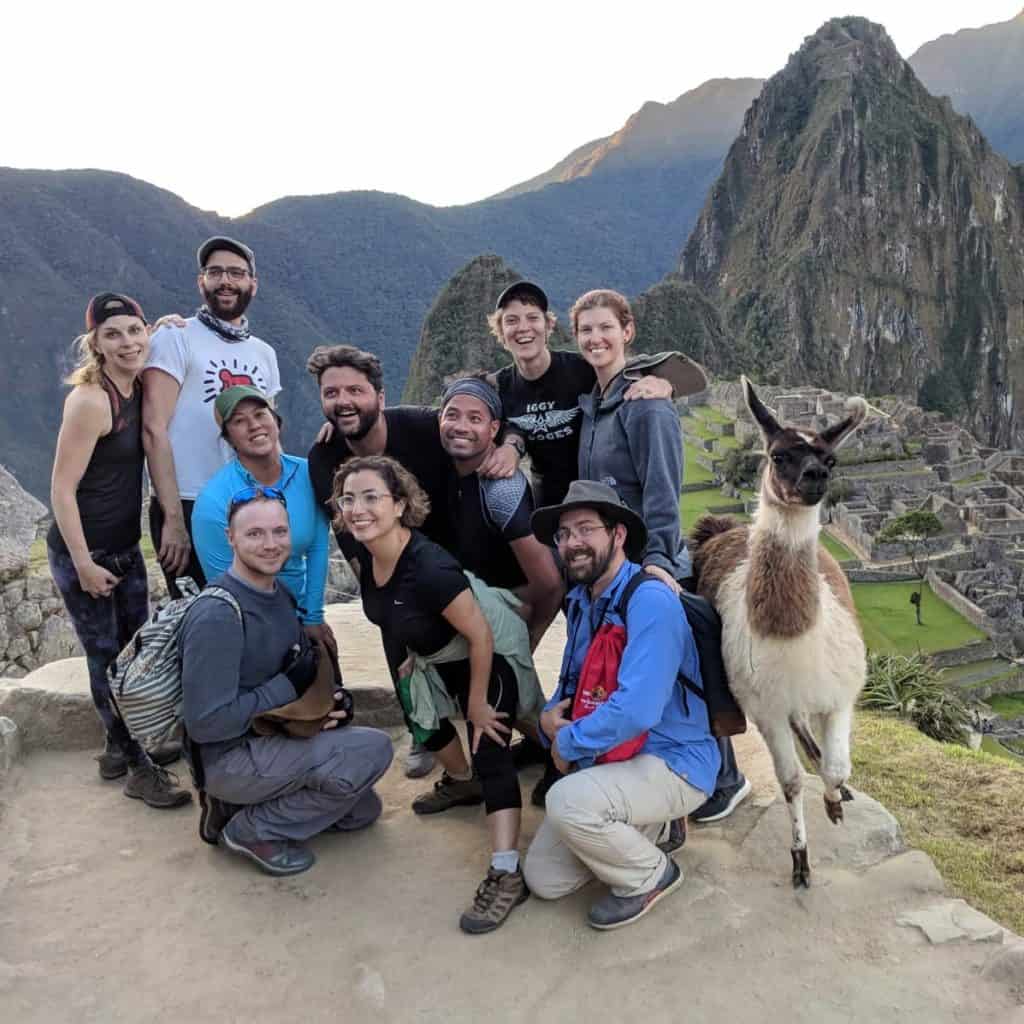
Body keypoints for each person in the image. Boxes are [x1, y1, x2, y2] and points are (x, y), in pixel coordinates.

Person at [333, 455, 536, 934]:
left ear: (400, 504)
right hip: (437, 657)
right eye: (348, 499)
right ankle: (464, 783)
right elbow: (391, 612)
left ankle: (507, 872)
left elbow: (481, 636)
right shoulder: (369, 556)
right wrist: (410, 655)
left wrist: (479, 702)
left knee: (491, 744)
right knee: (421, 716)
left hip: (487, 655)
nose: (357, 509)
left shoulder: (430, 567)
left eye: (371, 497)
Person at [572, 288, 750, 825]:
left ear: (628, 331)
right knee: (646, 672)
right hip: (614, 562)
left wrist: (658, 563)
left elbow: (662, 490)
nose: (596, 339)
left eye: (606, 327)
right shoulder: (597, 404)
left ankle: (725, 777)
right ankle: (670, 765)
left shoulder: (645, 404)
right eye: (585, 331)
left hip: (646, 560)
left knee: (681, 672)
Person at [524, 481, 721, 929]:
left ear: (618, 536)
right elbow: (571, 684)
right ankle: (659, 828)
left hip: (672, 759)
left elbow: (638, 709)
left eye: (586, 529)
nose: (573, 543)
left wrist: (568, 742)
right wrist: (548, 720)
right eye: (564, 533)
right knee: (545, 878)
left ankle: (652, 875)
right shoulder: (582, 601)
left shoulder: (648, 601)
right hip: (617, 758)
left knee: (567, 802)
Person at [180, 490, 393, 876]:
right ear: (231, 537)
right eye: (255, 534)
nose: (271, 544)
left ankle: (237, 809)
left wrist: (328, 703)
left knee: (364, 809)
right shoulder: (217, 616)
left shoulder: (278, 594)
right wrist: (285, 687)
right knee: (372, 751)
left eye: (280, 532)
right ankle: (251, 829)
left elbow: (289, 682)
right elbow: (204, 724)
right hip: (228, 759)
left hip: (269, 737)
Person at [48, 292, 191, 808]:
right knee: (106, 657)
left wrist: (169, 324)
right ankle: (137, 767)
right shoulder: (91, 400)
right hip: (83, 550)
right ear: (95, 344)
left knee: (137, 648)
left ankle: (118, 746)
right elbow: (62, 489)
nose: (128, 342)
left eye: (135, 330)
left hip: (125, 547)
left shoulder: (136, 382)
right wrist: (83, 563)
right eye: (114, 334)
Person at [143, 236, 281, 597]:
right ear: (200, 281)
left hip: (249, 500)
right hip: (188, 500)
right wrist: (172, 519)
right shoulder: (176, 337)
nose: (226, 281)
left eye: (236, 273)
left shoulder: (264, 353)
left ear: (253, 282)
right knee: (201, 618)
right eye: (215, 272)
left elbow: (269, 436)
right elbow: (153, 427)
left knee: (256, 611)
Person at [487, 280, 686, 506]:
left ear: (548, 326)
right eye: (512, 321)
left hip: (597, 511)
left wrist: (664, 382)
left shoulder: (582, 369)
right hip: (546, 512)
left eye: (532, 318)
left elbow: (619, 370)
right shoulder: (499, 387)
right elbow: (478, 411)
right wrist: (512, 444)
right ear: (501, 332)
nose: (523, 328)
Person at [191, 385, 334, 651]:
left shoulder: (307, 474)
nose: (254, 425)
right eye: (239, 421)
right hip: (249, 623)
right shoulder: (215, 501)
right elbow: (225, 586)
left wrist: (313, 616)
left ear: (275, 421)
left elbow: (317, 546)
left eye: (260, 414)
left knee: (328, 679)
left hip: (302, 612)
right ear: (229, 437)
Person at [438, 377, 562, 650]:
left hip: (497, 628)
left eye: (474, 419)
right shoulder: (445, 467)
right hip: (466, 623)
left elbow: (550, 584)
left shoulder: (501, 490)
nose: (461, 427)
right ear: (439, 419)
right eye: (453, 415)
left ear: (493, 428)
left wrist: (527, 641)